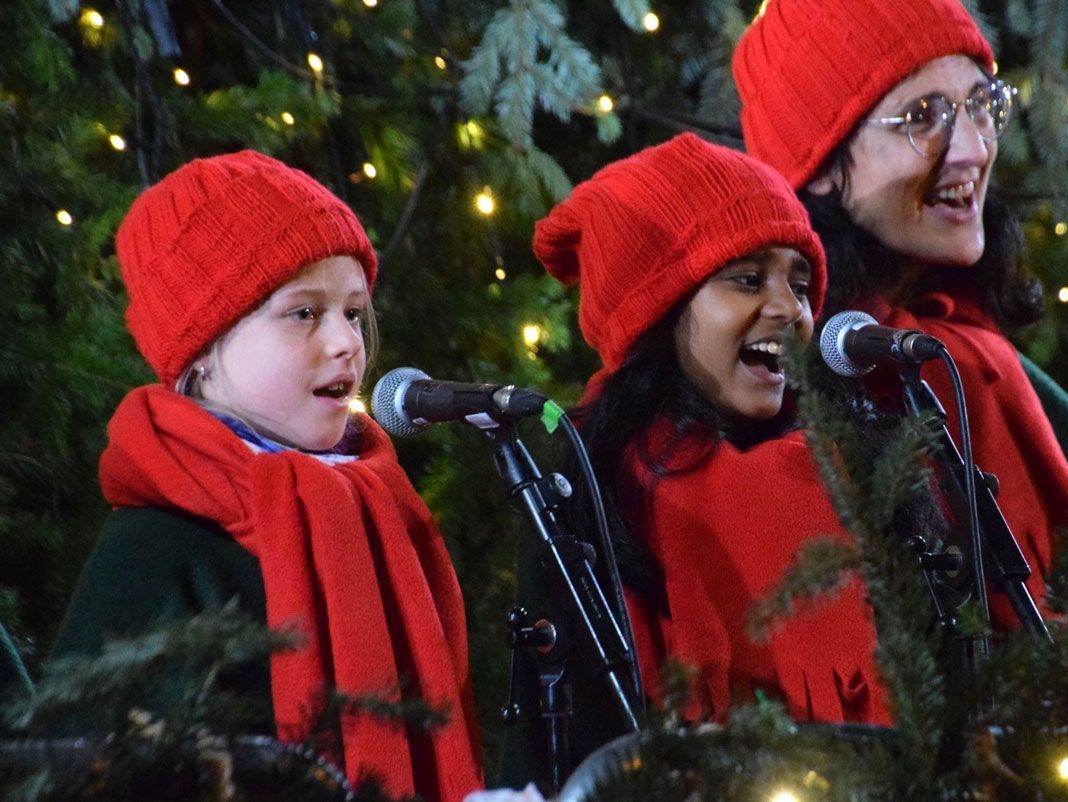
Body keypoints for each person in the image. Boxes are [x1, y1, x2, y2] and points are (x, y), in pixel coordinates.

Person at [49, 150, 481, 801]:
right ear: (204, 356)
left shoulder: (380, 508)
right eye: (304, 313)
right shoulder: (156, 549)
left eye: (354, 312)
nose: (346, 343)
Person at [505, 133, 900, 788]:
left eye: (800, 285)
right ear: (655, 311)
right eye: (746, 279)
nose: (788, 309)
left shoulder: (856, 467)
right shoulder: (586, 485)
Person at [732, 0, 1068, 633]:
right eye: (923, 117)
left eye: (980, 104)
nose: (974, 148)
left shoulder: (963, 338)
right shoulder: (781, 392)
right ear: (824, 164)